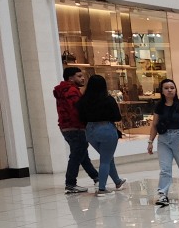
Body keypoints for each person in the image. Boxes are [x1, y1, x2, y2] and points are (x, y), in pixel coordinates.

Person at [76, 74, 126, 195]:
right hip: (106, 129)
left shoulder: (82, 101)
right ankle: (102, 188)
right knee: (105, 160)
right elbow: (117, 117)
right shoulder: (108, 100)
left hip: (90, 131)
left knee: (108, 158)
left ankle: (117, 181)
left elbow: (81, 118)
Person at [147, 78, 179, 206]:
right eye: (166, 88)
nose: (169, 90)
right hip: (163, 140)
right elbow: (154, 124)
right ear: (162, 91)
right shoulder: (159, 106)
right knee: (165, 168)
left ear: (175, 89)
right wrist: (150, 141)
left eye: (172, 88)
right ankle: (162, 194)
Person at [54, 66, 99, 194]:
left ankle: (96, 177)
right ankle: (70, 183)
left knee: (82, 154)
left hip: (66, 127)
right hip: (75, 127)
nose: (83, 78)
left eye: (82, 75)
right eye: (79, 76)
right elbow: (76, 110)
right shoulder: (71, 91)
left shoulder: (63, 90)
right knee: (76, 154)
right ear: (70, 78)